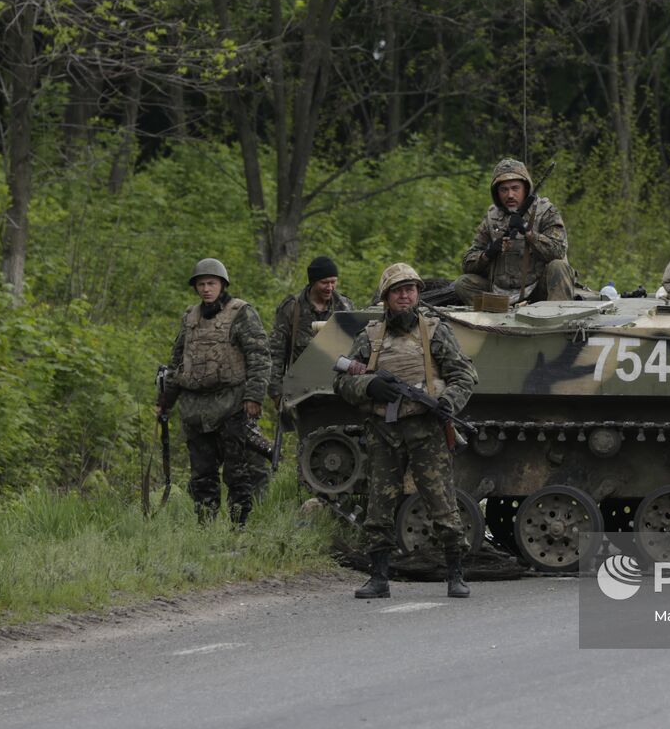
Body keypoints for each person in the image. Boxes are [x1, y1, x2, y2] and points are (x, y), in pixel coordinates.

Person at [335, 263, 478, 599]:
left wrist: (448, 402)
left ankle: (456, 574)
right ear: (386, 297)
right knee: (379, 505)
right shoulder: (370, 336)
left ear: (418, 295)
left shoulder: (435, 332)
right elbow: (341, 380)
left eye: (410, 289)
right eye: (398, 290)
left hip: (426, 428)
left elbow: (464, 375)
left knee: (442, 502)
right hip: (384, 430)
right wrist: (369, 387)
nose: (405, 295)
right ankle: (379, 576)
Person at [155, 258, 271, 525]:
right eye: (201, 284)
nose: (206, 289)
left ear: (222, 285)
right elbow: (177, 362)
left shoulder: (241, 312)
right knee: (202, 473)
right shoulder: (190, 317)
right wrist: (165, 402)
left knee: (237, 470)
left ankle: (239, 525)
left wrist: (254, 396)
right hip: (195, 407)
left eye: (211, 283)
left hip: (231, 403)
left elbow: (259, 356)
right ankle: (205, 526)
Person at [455, 158, 577, 305]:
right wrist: (488, 253)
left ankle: (557, 320)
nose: (510, 195)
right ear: (497, 193)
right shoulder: (492, 217)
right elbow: (468, 263)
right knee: (463, 284)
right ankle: (497, 318)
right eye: (504, 190)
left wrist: (528, 232)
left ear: (525, 188)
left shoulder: (545, 212)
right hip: (500, 291)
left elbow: (558, 252)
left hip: (537, 289)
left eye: (515, 188)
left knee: (559, 266)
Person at [268, 255, 354, 404]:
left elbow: (356, 348)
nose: (330, 287)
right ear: (313, 282)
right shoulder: (291, 308)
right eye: (324, 282)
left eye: (333, 282)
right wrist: (276, 393)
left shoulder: (345, 307)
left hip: (338, 391)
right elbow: (276, 352)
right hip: (302, 392)